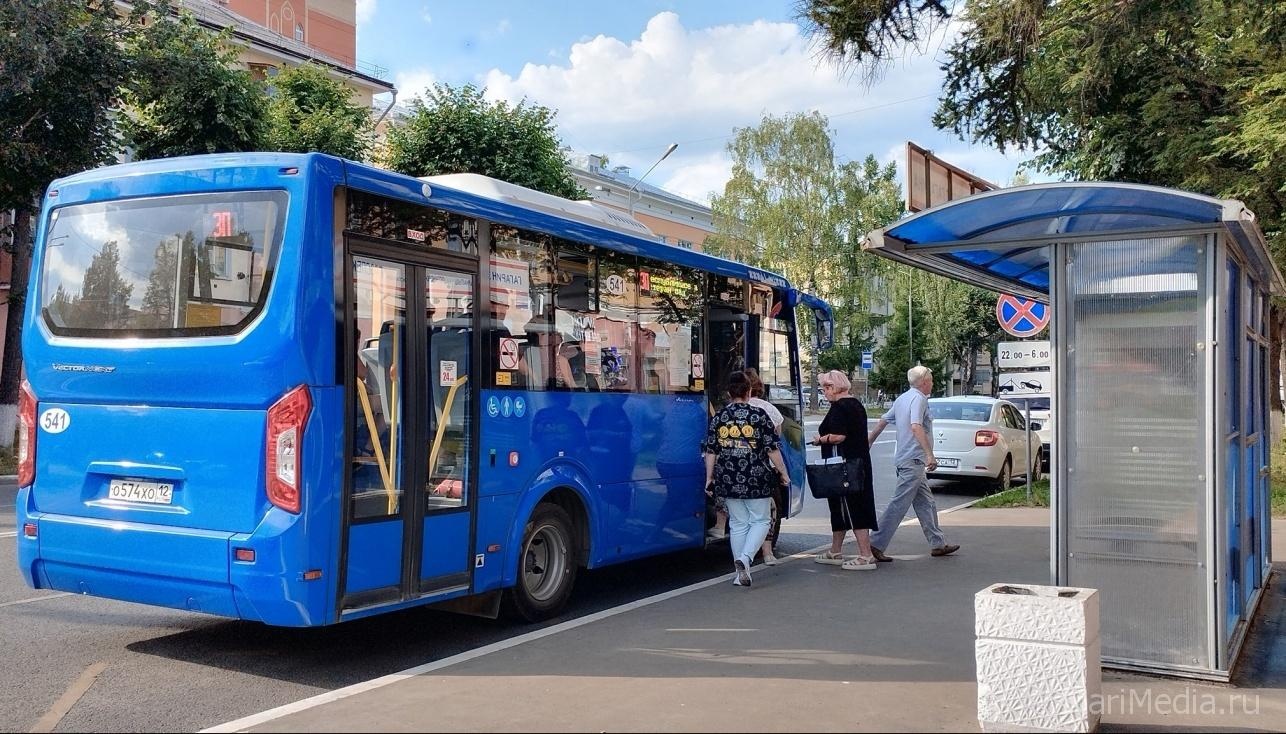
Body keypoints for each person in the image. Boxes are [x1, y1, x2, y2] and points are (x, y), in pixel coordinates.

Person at [702, 371, 790, 588]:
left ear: (729, 393)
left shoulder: (720, 417)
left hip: (727, 476)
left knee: (738, 523)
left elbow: (711, 450)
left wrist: (709, 477)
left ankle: (740, 573)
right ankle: (746, 559)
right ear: (749, 392)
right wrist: (783, 473)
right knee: (761, 520)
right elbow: (772, 449)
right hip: (756, 477)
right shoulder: (759, 415)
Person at [866, 365, 960, 561]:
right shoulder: (919, 399)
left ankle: (937, 543)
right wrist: (930, 455)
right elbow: (916, 426)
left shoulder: (903, 398)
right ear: (924, 381)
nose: (932, 383)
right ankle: (875, 543)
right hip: (913, 459)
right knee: (899, 503)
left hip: (905, 458)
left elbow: (883, 421)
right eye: (931, 380)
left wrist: (870, 441)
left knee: (926, 502)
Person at [810, 370, 879, 571]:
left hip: (844, 465)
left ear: (835, 387)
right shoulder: (855, 404)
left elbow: (839, 436)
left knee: (852, 506)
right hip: (856, 463)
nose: (824, 391)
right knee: (841, 506)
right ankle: (835, 550)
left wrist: (820, 439)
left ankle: (865, 555)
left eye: (826, 387)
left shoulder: (840, 407)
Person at [744, 368, 785, 566]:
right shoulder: (767, 410)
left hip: (734, 471)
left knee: (738, 519)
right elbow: (775, 442)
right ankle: (767, 552)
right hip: (762, 470)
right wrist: (783, 472)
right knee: (768, 512)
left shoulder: (725, 413)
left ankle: (742, 557)